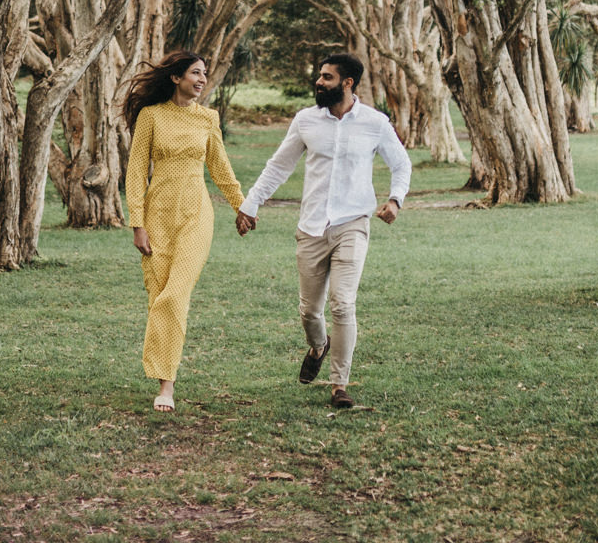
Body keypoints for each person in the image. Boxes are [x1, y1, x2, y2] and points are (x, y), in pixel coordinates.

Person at [235, 52, 411, 409]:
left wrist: (395, 200)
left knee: (343, 305)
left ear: (347, 83)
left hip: (353, 224)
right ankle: (318, 345)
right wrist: (250, 204)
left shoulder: (375, 123)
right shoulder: (306, 121)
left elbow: (401, 163)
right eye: (320, 75)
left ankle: (339, 385)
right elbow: (278, 166)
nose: (319, 82)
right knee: (310, 311)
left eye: (327, 77)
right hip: (311, 227)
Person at [123, 49, 246, 413]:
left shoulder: (208, 118)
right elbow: (135, 172)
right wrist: (137, 223)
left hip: (196, 215)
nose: (202, 79)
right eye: (195, 72)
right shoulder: (151, 116)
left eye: (204, 73)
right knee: (158, 295)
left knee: (174, 296)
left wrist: (242, 207)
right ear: (176, 78)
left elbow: (220, 168)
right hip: (157, 217)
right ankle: (164, 378)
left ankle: (167, 386)